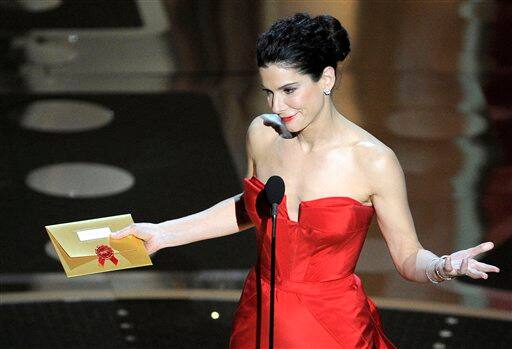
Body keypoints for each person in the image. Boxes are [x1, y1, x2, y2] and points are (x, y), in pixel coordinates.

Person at [111, 13, 500, 349]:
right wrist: (163, 235)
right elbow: (251, 209)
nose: (277, 107)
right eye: (269, 92)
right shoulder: (263, 134)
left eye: (289, 90)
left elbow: (408, 257)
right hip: (260, 315)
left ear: (326, 79)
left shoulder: (373, 160)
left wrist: (444, 266)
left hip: (331, 327)